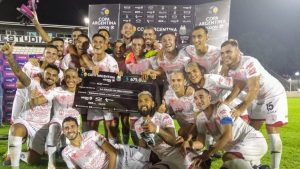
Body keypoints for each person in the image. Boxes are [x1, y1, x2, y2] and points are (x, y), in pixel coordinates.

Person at [220, 39, 288, 169]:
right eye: (222, 53)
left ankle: (275, 167)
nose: (225, 55)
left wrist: (240, 109)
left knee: (271, 129)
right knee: (252, 131)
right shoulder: (230, 68)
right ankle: (256, 166)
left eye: (228, 51)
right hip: (256, 98)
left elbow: (254, 88)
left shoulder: (250, 62)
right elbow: (239, 85)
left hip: (272, 94)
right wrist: (226, 102)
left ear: (238, 51)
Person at [2, 40, 60, 169]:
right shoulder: (33, 70)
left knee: (33, 161)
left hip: (40, 124)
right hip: (23, 101)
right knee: (15, 128)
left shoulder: (56, 81)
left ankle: (23, 153)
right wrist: (10, 56)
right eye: (48, 52)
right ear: (43, 53)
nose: (51, 55)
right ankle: (11, 157)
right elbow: (18, 76)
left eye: (54, 53)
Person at [184, 88, 267, 169]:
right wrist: (189, 144)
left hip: (253, 140)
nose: (198, 101)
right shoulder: (200, 118)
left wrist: (208, 153)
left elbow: (228, 135)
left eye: (201, 97)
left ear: (209, 97)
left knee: (228, 156)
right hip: (238, 148)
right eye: (195, 98)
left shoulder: (221, 108)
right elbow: (201, 143)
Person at [29, 68, 82, 169]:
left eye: (74, 77)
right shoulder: (57, 90)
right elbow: (40, 100)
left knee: (75, 148)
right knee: (53, 129)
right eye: (68, 77)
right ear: (64, 78)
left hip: (74, 123)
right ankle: (51, 162)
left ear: (78, 79)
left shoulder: (82, 92)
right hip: (58, 120)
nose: (71, 79)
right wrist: (33, 98)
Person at [61, 116, 153, 169]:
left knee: (152, 158)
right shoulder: (66, 153)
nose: (70, 130)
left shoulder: (91, 135)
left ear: (78, 127)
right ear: (63, 131)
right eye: (66, 128)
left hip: (120, 157)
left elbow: (112, 152)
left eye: (72, 126)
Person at [135, 91, 193, 169]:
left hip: (180, 154)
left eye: (146, 100)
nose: (143, 103)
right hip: (164, 160)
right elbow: (148, 145)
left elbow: (172, 141)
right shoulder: (138, 124)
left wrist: (157, 129)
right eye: (140, 101)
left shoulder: (164, 117)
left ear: (152, 104)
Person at [86, 33, 119, 145]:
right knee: (92, 126)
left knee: (111, 127)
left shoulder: (111, 61)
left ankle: (113, 148)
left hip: (107, 98)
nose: (98, 44)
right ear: (91, 44)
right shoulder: (88, 60)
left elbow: (115, 82)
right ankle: (93, 148)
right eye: (95, 41)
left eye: (101, 42)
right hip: (93, 98)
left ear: (106, 45)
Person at [163, 71, 195, 137]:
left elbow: (199, 116)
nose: (175, 83)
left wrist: (189, 134)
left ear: (185, 81)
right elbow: (164, 109)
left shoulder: (192, 94)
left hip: (194, 124)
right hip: (180, 122)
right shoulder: (169, 93)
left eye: (179, 80)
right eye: (173, 80)